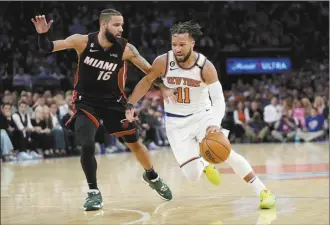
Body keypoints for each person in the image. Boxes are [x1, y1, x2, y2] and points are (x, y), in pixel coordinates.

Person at [31, 9, 173, 211]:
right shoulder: (82, 41)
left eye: (122, 25)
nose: (121, 29)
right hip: (86, 102)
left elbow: (149, 71)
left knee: (135, 145)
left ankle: (152, 176)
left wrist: (163, 87)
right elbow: (48, 47)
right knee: (87, 144)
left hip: (114, 103)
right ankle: (93, 192)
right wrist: (42, 34)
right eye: (117, 25)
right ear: (103, 24)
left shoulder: (126, 48)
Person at [125, 21, 276, 209]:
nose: (177, 49)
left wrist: (214, 122)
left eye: (182, 44)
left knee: (226, 152)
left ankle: (263, 191)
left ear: (192, 44)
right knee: (192, 175)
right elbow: (146, 81)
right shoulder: (163, 62)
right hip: (175, 122)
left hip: (202, 116)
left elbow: (219, 99)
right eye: (174, 44)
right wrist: (131, 103)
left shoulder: (205, 67)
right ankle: (205, 164)